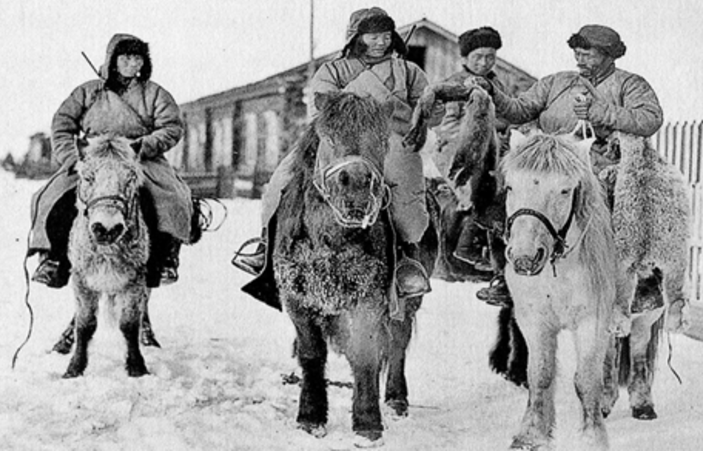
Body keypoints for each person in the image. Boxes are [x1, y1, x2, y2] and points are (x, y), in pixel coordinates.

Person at [232, 7, 444, 298]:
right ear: (357, 37)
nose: (381, 42)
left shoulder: (408, 71)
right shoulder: (333, 70)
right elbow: (321, 106)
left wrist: (429, 106)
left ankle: (406, 259)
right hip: (336, 137)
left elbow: (431, 111)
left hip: (388, 138)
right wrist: (370, 83)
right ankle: (267, 248)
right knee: (280, 182)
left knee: (406, 194)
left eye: (386, 35)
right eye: (373, 36)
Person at [468, 24, 663, 305]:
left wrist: (602, 112)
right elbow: (520, 109)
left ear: (609, 56)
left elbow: (650, 119)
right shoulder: (557, 82)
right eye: (577, 54)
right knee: (507, 197)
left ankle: (642, 279)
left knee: (628, 207)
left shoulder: (630, 85)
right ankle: (508, 269)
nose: (579, 60)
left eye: (588, 55)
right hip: (551, 166)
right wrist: (494, 95)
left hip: (602, 163)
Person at [29, 33, 193, 289]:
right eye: (126, 57)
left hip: (138, 157)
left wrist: (141, 146)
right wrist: (74, 158)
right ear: (112, 59)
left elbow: (171, 127)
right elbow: (62, 124)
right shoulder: (88, 91)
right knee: (47, 195)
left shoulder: (155, 93)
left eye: (138, 58)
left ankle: (164, 259)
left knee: (173, 196)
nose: (133, 64)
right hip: (93, 158)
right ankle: (53, 258)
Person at [433, 26, 508, 272]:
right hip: (458, 150)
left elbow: (508, 115)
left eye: (490, 57)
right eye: (478, 57)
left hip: (492, 150)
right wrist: (476, 138)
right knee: (480, 189)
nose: (484, 62)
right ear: (464, 59)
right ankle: (467, 245)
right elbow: (446, 125)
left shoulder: (498, 84)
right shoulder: (453, 85)